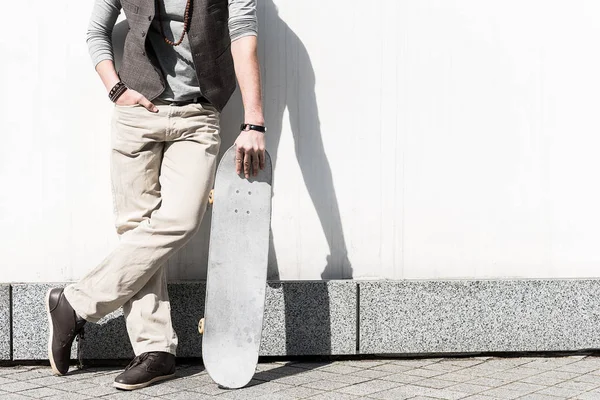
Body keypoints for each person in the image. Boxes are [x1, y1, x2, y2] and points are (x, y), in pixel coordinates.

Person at [45, 0, 266, 390]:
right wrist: (115, 88)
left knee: (181, 219)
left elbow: (243, 30)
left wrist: (254, 120)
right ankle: (156, 351)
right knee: (135, 227)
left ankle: (76, 302)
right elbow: (96, 31)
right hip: (136, 113)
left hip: (197, 115)